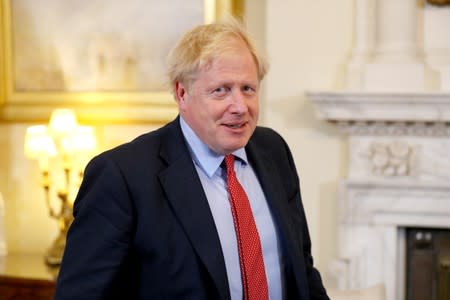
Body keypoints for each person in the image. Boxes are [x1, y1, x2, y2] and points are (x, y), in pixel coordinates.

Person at [54, 18, 330, 300]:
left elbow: (302, 271)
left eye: (248, 89)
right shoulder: (122, 176)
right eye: (221, 90)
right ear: (181, 93)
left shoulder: (274, 151)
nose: (239, 107)